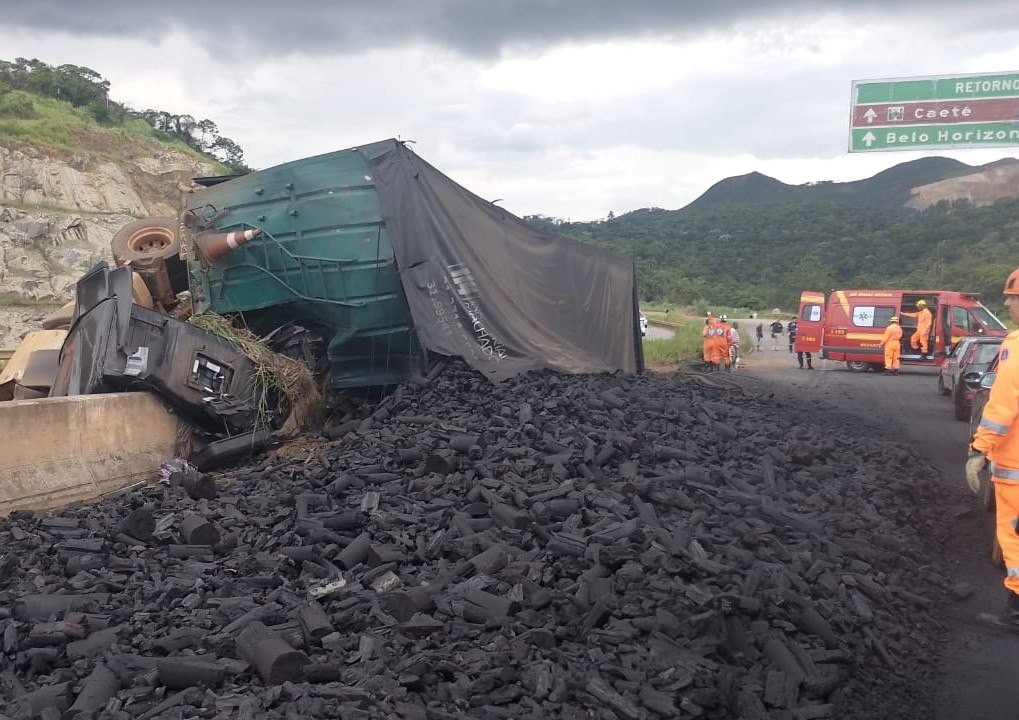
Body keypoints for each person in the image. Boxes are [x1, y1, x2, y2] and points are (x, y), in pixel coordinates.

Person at [967, 267, 1019, 630]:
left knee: (1014, 540)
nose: (1006, 302)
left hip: (1016, 468)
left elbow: (1001, 407)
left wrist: (979, 450)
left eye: (1012, 297)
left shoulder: (1016, 348)